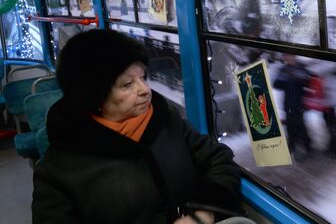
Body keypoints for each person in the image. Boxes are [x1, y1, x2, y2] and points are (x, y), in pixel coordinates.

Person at [32, 29, 245, 224]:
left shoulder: (166, 121)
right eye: (127, 84)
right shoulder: (58, 170)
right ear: (95, 95)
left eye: (143, 77)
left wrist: (202, 214)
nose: (145, 90)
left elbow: (220, 162)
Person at [273, 54, 311, 159]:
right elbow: (276, 84)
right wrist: (284, 78)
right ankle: (291, 148)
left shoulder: (301, 67)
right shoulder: (283, 69)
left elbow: (308, 81)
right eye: (286, 56)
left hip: (299, 103)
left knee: (301, 127)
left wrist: (296, 76)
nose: (287, 58)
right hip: (288, 103)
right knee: (290, 127)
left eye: (289, 56)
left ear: (294, 56)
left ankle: (308, 149)